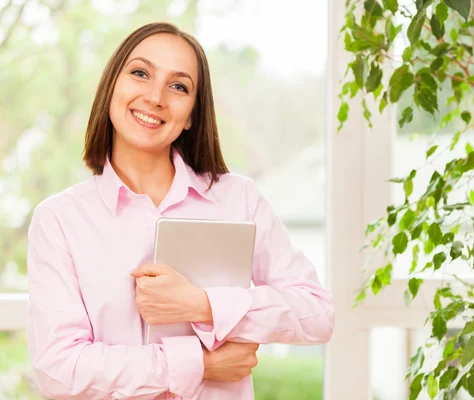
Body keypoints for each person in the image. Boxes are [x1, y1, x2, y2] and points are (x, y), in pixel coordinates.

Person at [26, 22, 334, 400]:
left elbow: (317, 314)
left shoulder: (238, 200)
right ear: (111, 89)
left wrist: (203, 304)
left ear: (190, 115)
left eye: (179, 86)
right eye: (140, 73)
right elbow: (59, 370)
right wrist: (199, 363)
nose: (156, 97)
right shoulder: (59, 220)